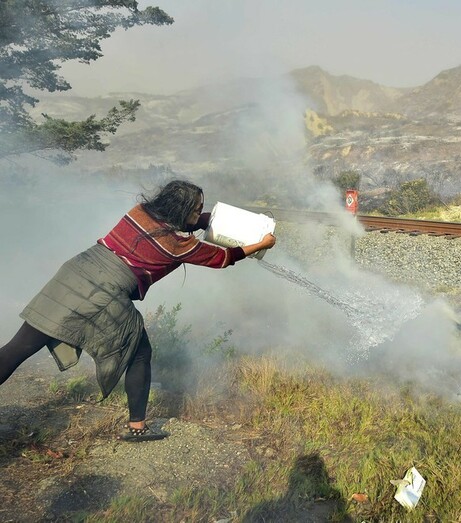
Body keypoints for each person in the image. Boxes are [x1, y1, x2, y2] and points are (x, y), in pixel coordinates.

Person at [0, 180, 275, 442]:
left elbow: (189, 223)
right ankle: (137, 427)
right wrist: (261, 244)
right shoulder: (176, 244)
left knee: (21, 345)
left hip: (74, 273)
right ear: (180, 210)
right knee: (139, 352)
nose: (199, 214)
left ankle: (137, 424)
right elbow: (224, 258)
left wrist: (206, 220)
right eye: (195, 209)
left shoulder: (139, 212)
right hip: (104, 292)